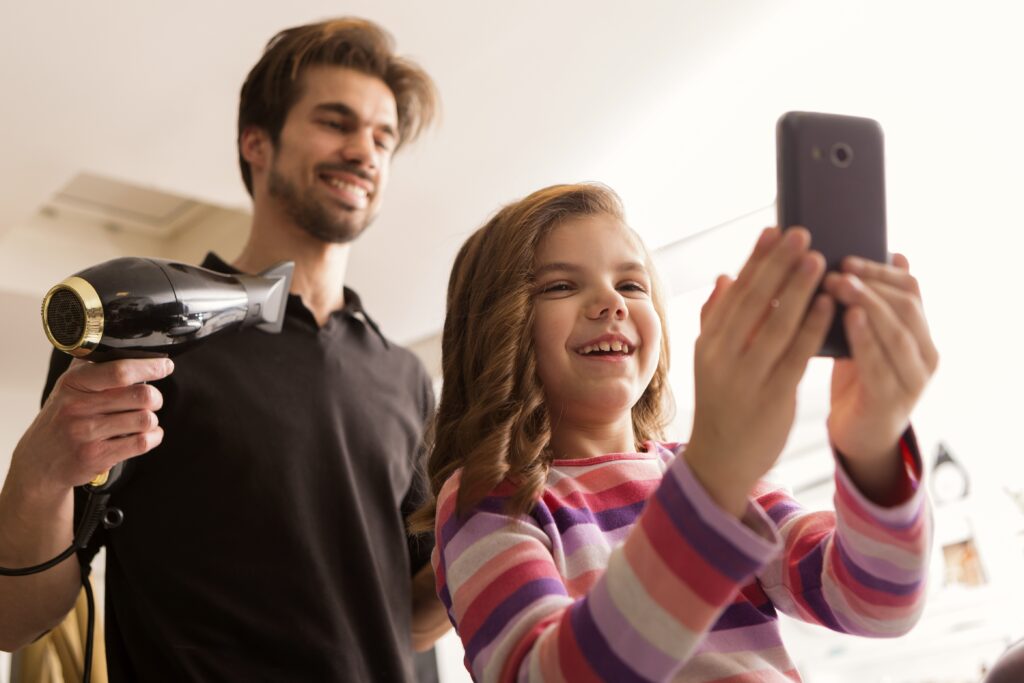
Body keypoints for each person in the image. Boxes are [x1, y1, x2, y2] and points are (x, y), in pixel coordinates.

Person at [0, 18, 450, 682]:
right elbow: (15, 619)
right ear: (256, 143)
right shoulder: (143, 333)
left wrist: (497, 508)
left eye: (383, 137)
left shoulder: (405, 376)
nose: (365, 151)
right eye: (336, 122)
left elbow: (403, 613)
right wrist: (37, 474)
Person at [409, 183, 939, 682]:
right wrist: (712, 479)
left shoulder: (709, 478)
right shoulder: (488, 500)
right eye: (561, 286)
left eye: (630, 284)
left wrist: (874, 450)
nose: (610, 303)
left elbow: (878, 601)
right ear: (498, 327)